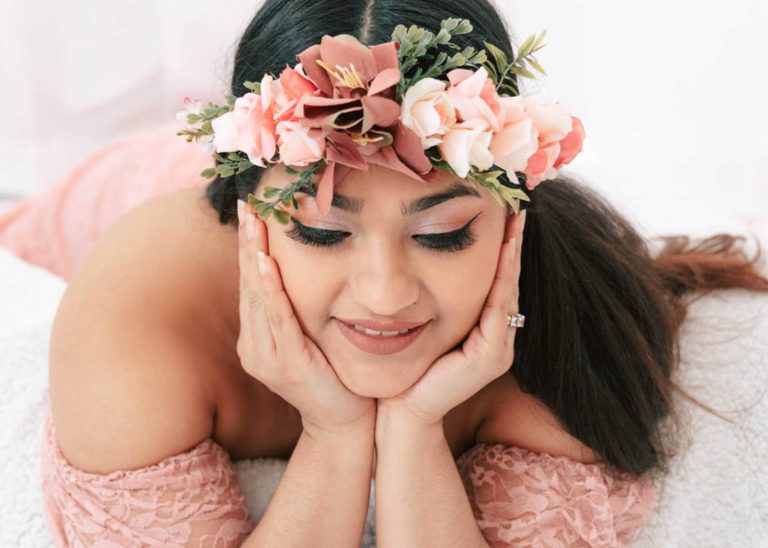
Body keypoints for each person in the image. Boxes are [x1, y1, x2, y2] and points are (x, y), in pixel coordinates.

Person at [39, 0, 768, 546]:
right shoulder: (141, 314)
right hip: (128, 184)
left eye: (445, 235)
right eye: (325, 233)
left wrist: (415, 432)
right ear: (252, 216)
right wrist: (334, 434)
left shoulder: (563, 334)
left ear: (514, 212)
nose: (385, 295)